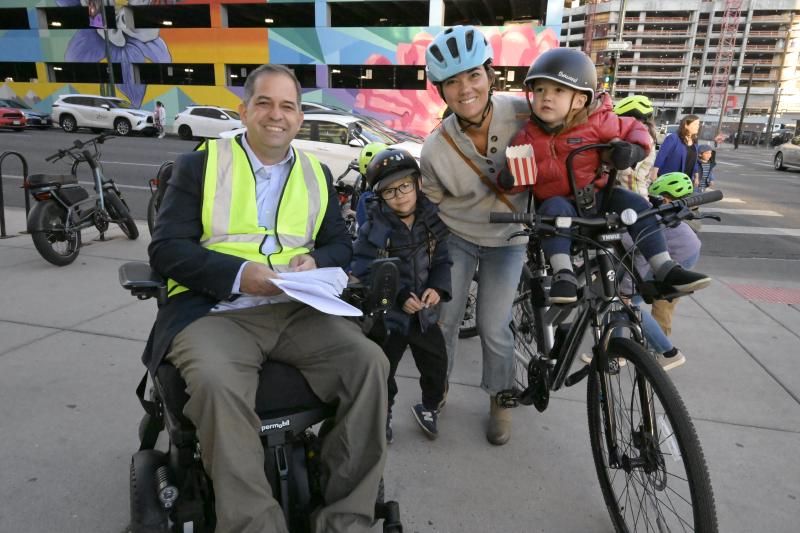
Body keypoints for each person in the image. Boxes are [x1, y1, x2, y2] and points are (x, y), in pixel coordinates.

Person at [147, 64, 388, 533]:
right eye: (264, 103)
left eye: (287, 106)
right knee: (217, 385)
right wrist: (240, 275)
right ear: (244, 110)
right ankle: (255, 525)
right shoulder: (200, 165)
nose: (276, 115)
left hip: (297, 310)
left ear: (300, 118)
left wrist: (315, 263)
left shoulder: (317, 173)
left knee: (370, 365)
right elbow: (165, 249)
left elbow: (341, 245)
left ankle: (345, 519)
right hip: (215, 311)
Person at [499, 47, 711, 307]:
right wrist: (509, 181)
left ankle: (665, 267)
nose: (546, 97)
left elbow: (635, 128)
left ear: (579, 99)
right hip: (561, 205)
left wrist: (632, 149)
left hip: (600, 195)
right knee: (552, 211)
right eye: (540, 90)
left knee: (637, 204)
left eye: (558, 90)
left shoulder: (599, 120)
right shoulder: (527, 136)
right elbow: (521, 180)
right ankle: (563, 274)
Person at [420, 25, 532, 446]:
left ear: (489, 74)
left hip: (509, 238)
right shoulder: (434, 148)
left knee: (493, 325)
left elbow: (576, 121)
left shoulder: (525, 112)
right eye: (452, 81)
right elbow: (429, 208)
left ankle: (501, 399)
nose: (465, 88)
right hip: (458, 236)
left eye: (473, 75)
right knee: (444, 320)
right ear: (441, 91)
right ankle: (438, 390)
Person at [351, 148, 451, 443]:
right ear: (379, 197)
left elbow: (443, 261)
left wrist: (438, 287)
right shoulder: (374, 229)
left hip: (425, 316)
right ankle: (382, 416)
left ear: (418, 183)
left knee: (436, 365)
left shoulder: (432, 222)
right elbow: (363, 270)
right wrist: (399, 295)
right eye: (389, 191)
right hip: (388, 319)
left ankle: (430, 406)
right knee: (384, 373)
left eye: (405, 185)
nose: (400, 195)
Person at [613, 94, 658, 197]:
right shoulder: (636, 134)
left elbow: (625, 169)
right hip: (625, 193)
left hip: (634, 195)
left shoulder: (643, 138)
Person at [650, 114, 701, 181]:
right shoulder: (673, 138)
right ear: (686, 125)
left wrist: (696, 175)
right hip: (669, 179)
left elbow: (694, 160)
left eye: (698, 124)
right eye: (695, 124)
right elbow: (661, 155)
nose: (698, 126)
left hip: (686, 180)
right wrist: (654, 172)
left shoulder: (695, 142)